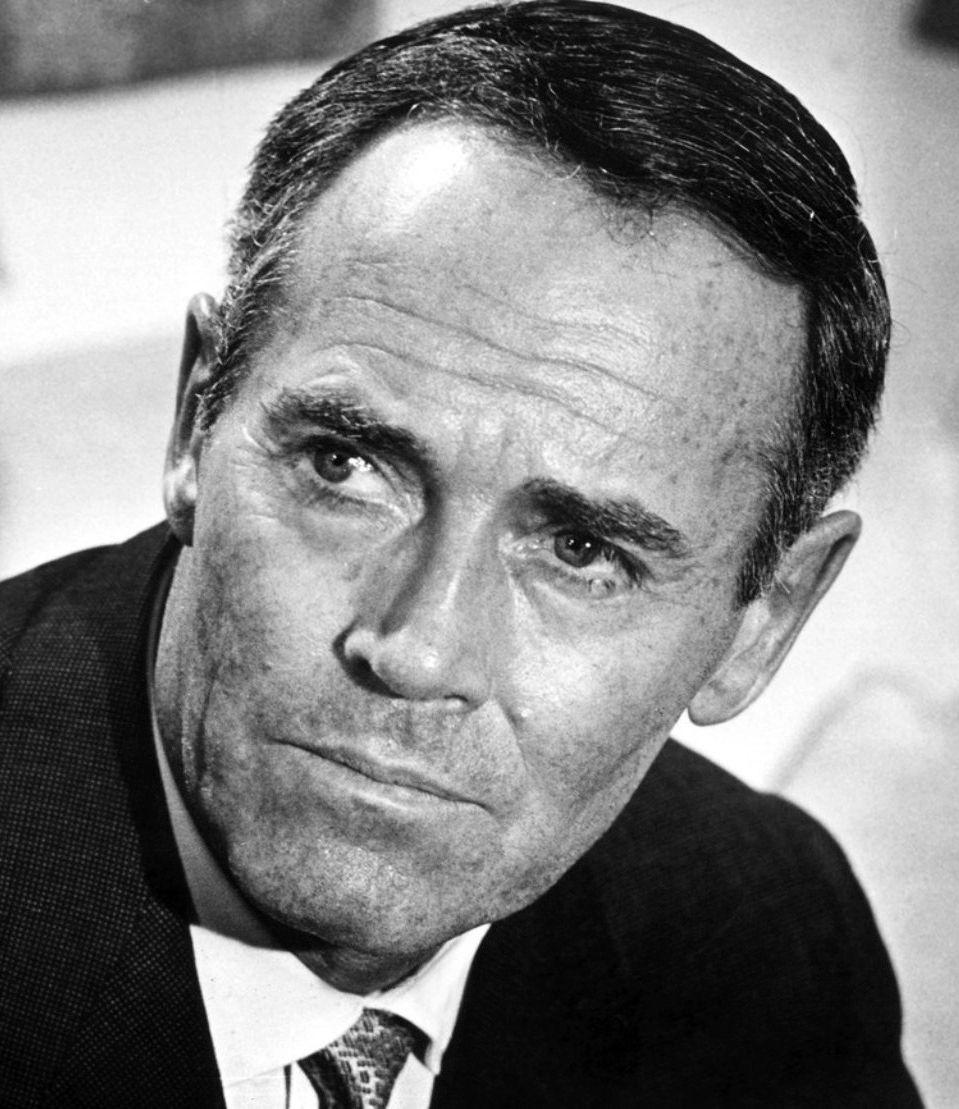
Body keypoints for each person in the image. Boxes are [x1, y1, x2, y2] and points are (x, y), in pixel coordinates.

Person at [0, 2, 923, 1105]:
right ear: (198, 422)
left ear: (759, 622)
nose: (417, 647)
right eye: (345, 465)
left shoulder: (756, 927)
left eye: (580, 549)